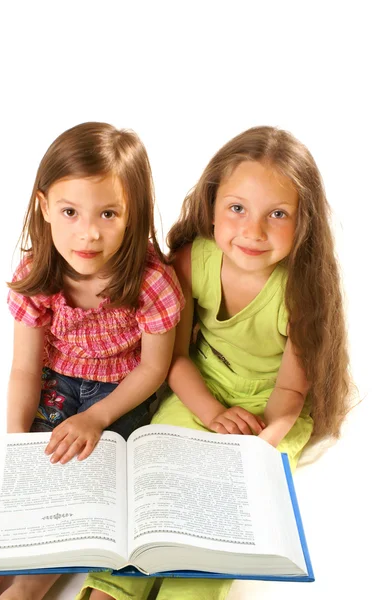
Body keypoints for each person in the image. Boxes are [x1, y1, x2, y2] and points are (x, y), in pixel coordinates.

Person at [78, 125, 352, 600]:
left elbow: (290, 395)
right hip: (199, 387)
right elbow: (177, 358)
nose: (254, 231)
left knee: (221, 509)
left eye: (278, 214)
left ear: (304, 221)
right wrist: (210, 413)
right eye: (238, 208)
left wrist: (256, 447)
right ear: (212, 204)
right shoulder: (192, 260)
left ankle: (190, 591)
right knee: (158, 475)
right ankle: (113, 587)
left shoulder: (302, 294)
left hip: (271, 412)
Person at [0, 122, 184, 600]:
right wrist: (16, 446)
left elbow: (153, 369)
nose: (89, 233)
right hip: (56, 385)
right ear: (44, 207)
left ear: (133, 215)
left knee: (82, 493)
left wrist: (97, 418)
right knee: (35, 476)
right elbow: (24, 368)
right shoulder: (38, 272)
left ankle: (30, 588)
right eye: (70, 212)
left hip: (118, 393)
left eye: (108, 214)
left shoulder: (151, 282)